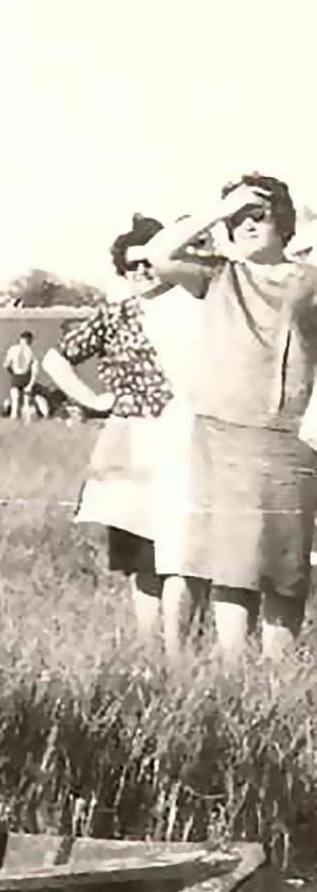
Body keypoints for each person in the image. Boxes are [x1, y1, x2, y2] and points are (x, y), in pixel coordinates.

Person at [143, 175, 317, 659]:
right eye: (238, 218)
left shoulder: (310, 280)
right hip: (219, 432)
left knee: (285, 566)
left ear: (284, 222)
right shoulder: (218, 274)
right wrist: (220, 210)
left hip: (287, 436)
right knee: (229, 564)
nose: (247, 225)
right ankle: (232, 677)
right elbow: (158, 254)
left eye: (258, 215)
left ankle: (277, 677)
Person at [34, 216, 205, 654]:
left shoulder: (197, 304)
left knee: (185, 551)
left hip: (189, 438)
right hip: (133, 441)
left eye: (149, 262)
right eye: (132, 267)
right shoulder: (115, 314)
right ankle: (152, 654)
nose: (143, 272)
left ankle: (180, 653)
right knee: (142, 555)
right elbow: (55, 359)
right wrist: (92, 399)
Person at [2, 332, 39, 422]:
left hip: (16, 376)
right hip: (26, 377)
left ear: (20, 339)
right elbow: (35, 368)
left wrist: (12, 373)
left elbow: (6, 365)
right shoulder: (31, 351)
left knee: (15, 401)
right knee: (26, 402)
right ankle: (27, 421)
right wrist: (31, 382)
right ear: (29, 340)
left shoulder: (12, 349)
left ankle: (13, 418)